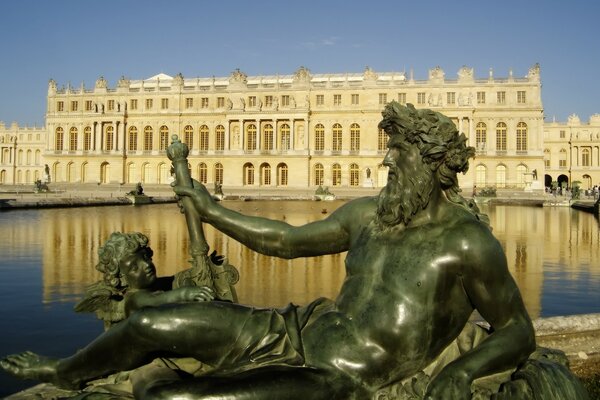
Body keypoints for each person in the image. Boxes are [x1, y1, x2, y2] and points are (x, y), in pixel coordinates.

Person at [1, 102, 535, 400]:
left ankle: (162, 380)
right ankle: (65, 373)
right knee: (145, 327)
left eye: (398, 153)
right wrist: (210, 211)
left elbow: (517, 330)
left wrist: (462, 372)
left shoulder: (467, 241)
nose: (387, 162)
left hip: (339, 376)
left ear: (431, 160)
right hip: (295, 327)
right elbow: (282, 241)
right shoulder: (368, 213)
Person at [74, 232, 214, 328]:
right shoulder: (134, 299)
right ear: (122, 278)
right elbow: (158, 300)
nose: (146, 265)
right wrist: (184, 294)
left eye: (146, 258)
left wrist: (202, 265)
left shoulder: (154, 285)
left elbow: (175, 278)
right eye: (134, 267)